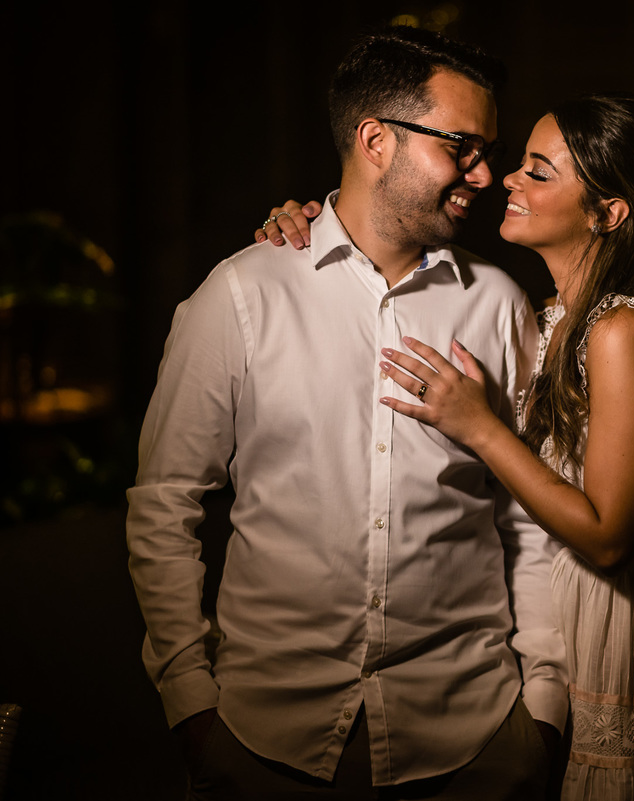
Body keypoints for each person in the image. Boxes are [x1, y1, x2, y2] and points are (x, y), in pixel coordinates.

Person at [265, 94, 634, 799]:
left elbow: (608, 537)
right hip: (594, 645)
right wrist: (311, 223)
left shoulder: (624, 334)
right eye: (520, 163)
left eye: (538, 172)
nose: (507, 179)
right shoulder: (546, 321)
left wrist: (478, 424)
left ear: (607, 213)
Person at [127, 26, 567, 799]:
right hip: (263, 742)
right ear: (375, 139)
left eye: (487, 150)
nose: (486, 173)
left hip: (474, 739)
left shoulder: (498, 306)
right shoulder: (242, 293)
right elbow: (164, 507)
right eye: (462, 146)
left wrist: (545, 711)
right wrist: (192, 708)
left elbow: (528, 520)